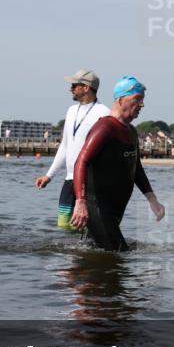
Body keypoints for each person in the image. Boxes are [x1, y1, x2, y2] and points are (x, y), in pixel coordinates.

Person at [71, 76, 165, 251]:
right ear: (121, 100)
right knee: (119, 253)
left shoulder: (131, 131)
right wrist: (81, 201)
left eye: (143, 100)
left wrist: (153, 200)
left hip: (114, 210)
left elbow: (136, 168)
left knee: (97, 255)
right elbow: (81, 162)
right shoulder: (105, 128)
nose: (142, 104)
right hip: (96, 207)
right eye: (138, 99)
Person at [36, 69, 111, 229]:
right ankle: (73, 254)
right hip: (70, 179)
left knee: (85, 226)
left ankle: (85, 252)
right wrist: (49, 176)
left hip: (91, 181)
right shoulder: (71, 111)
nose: (70, 88)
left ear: (86, 88)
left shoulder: (104, 113)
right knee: (64, 225)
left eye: (74, 85)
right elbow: (65, 146)